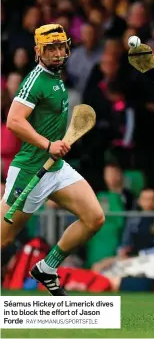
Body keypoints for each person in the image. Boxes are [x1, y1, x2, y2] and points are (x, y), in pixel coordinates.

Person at [1, 24, 105, 295]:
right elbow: (13, 121)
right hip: (30, 169)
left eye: (61, 47)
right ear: (38, 51)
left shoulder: (57, 76)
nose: (58, 53)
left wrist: (52, 148)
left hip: (55, 168)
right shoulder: (35, 80)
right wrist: (48, 144)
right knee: (3, 239)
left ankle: (47, 268)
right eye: (51, 49)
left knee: (94, 218)